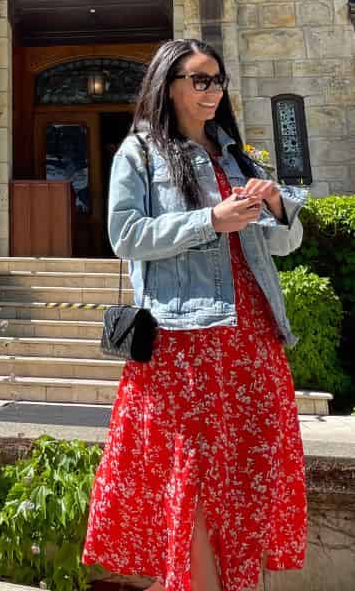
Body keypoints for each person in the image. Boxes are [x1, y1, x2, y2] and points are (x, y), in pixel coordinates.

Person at [82, 38, 308, 591]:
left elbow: (284, 244)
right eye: (200, 80)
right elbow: (124, 235)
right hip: (187, 339)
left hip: (254, 337)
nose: (213, 91)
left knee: (247, 476)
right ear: (170, 84)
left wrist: (278, 208)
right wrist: (212, 219)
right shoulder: (140, 152)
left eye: (218, 80)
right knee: (197, 478)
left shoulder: (234, 153)